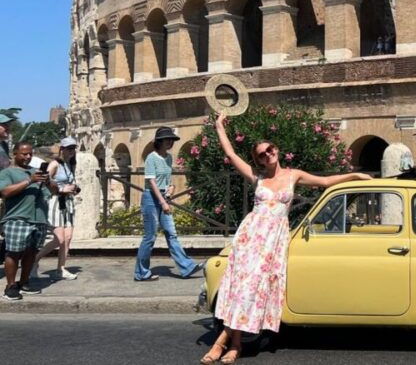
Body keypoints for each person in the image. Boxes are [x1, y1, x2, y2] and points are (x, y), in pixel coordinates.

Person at [201, 113, 370, 364]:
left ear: (276, 149)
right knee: (240, 288)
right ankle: (231, 344)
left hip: (273, 240)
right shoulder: (257, 178)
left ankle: (224, 343)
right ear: (257, 160)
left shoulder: (293, 175)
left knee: (252, 289)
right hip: (251, 236)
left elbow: (324, 181)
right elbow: (231, 155)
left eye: (269, 149)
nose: (267, 154)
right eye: (261, 154)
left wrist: (354, 176)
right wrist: (219, 127)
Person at [134, 127, 202, 282]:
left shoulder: (169, 158)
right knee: (150, 237)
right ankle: (141, 272)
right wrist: (163, 201)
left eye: (172, 139)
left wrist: (171, 188)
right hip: (151, 198)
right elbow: (151, 182)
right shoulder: (151, 157)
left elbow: (166, 179)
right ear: (159, 141)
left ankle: (187, 267)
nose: (170, 142)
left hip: (163, 196)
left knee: (171, 233)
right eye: (167, 139)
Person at [0, 142, 57, 300]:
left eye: (30, 154)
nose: (28, 156)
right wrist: (29, 181)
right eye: (24, 154)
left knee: (31, 253)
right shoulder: (8, 173)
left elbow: (55, 191)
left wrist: (48, 182)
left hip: (38, 219)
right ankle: (10, 286)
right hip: (18, 218)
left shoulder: (36, 172)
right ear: (15, 154)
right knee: (13, 253)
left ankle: (24, 282)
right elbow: (4, 192)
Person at [33, 138, 80, 280]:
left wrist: (74, 188)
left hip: (68, 202)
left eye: (73, 148)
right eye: (68, 148)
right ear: (62, 149)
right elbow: (44, 182)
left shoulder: (70, 164)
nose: (71, 151)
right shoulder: (54, 164)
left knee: (68, 237)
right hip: (55, 202)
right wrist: (61, 189)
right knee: (59, 239)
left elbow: (70, 182)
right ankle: (34, 259)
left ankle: (61, 268)